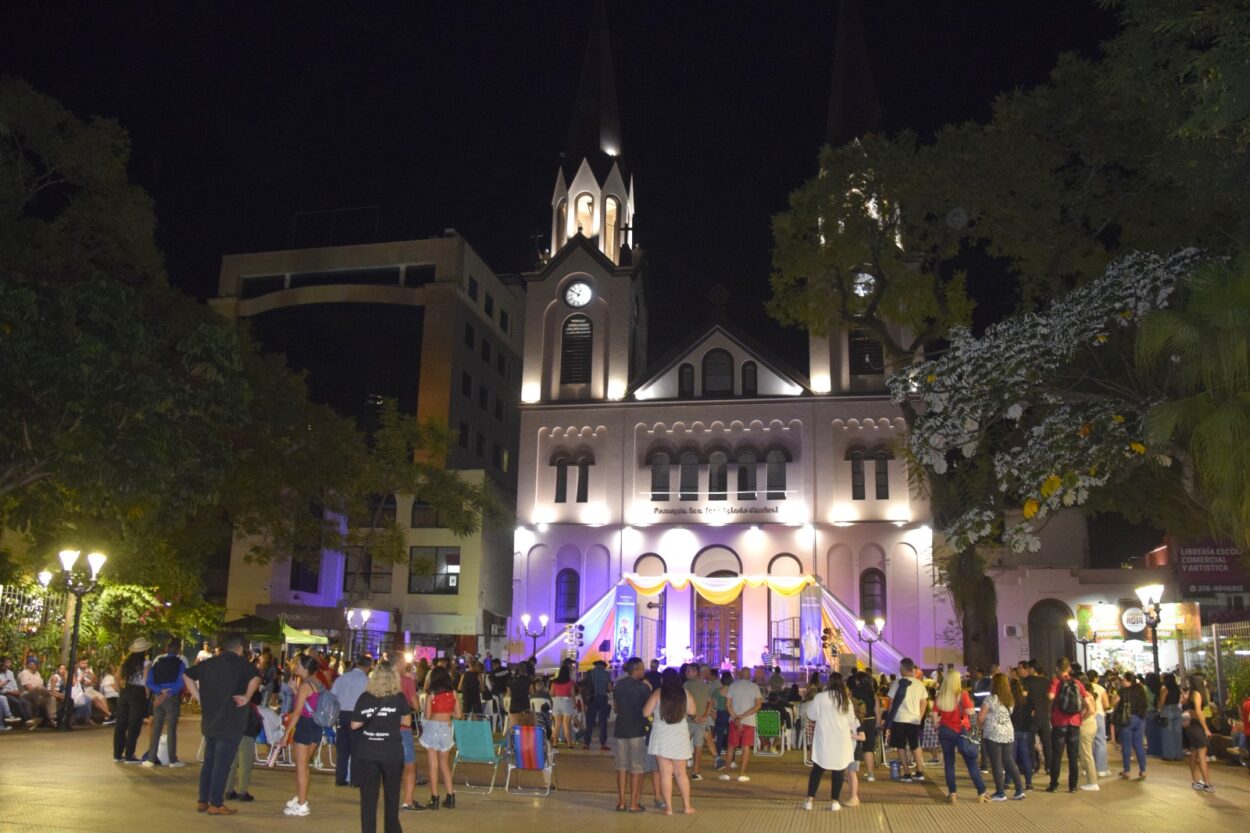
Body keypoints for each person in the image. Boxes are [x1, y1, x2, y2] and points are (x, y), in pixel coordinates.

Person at [182, 632, 261, 816]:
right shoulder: (243, 665)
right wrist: (247, 697)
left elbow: (187, 675)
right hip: (231, 721)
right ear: (240, 648)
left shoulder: (209, 663)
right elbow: (256, 678)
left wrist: (198, 697)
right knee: (222, 764)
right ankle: (216, 803)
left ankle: (202, 800)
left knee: (209, 761)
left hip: (210, 720)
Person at [353, 661, 411, 833]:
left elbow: (355, 724)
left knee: (368, 800)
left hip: (368, 752)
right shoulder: (399, 697)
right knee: (391, 798)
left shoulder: (365, 697)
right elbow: (407, 722)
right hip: (391, 753)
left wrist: (369, 715)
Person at [803, 671, 858, 811]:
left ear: (829, 682)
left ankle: (809, 800)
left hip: (824, 737)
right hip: (841, 739)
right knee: (838, 769)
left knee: (818, 768)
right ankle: (835, 801)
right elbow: (851, 719)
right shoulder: (845, 700)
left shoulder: (820, 697)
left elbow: (811, 715)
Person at [644, 667, 696, 815]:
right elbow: (693, 711)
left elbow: (645, 712)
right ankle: (687, 806)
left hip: (661, 736)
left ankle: (669, 808)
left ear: (662, 680)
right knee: (681, 773)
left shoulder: (658, 693)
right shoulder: (685, 693)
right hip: (679, 736)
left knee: (665, 773)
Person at [280, 655, 327, 816]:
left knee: (300, 767)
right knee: (305, 765)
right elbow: (310, 703)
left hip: (305, 725)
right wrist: (294, 690)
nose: (295, 667)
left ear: (305, 668)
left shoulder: (305, 685)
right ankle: (302, 798)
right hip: (316, 726)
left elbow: (298, 712)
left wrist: (285, 735)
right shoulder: (317, 682)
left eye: (298, 665)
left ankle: (301, 804)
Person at [933, 669, 987, 802]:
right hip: (961, 731)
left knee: (949, 762)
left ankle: (952, 793)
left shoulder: (941, 694)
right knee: (970, 761)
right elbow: (970, 711)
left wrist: (936, 726)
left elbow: (934, 713)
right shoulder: (962, 694)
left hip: (945, 730)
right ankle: (981, 792)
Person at [612, 657, 650, 812]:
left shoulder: (618, 684)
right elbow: (648, 710)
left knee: (621, 766)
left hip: (620, 729)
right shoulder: (643, 687)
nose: (644, 670)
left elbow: (616, 707)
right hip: (637, 730)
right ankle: (634, 803)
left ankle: (621, 801)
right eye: (641, 668)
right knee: (637, 766)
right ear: (635, 669)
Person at [979, 672, 1025, 801]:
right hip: (1008, 732)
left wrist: (982, 723)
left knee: (996, 763)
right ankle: (1019, 790)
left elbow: (981, 717)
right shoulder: (1010, 699)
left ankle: (1000, 792)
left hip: (993, 733)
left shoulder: (990, 699)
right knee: (1009, 760)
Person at [420, 666, 462, 809]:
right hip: (446, 728)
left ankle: (434, 798)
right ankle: (450, 797)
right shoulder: (454, 694)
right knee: (444, 764)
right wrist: (447, 712)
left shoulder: (431, 694)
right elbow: (458, 715)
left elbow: (427, 715)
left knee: (433, 764)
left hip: (432, 727)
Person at [1045, 657, 1087, 793]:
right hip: (1075, 722)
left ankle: (1054, 784)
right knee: (1073, 756)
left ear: (1057, 668)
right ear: (1069, 668)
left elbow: (1050, 697)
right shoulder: (1077, 683)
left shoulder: (1056, 681)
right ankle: (1072, 786)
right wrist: (1082, 716)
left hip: (1059, 722)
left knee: (1057, 754)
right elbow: (1087, 699)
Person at [143, 639, 186, 767]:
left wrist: (160, 692)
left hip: (158, 696)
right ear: (178, 650)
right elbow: (181, 682)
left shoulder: (158, 663)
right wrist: (168, 693)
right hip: (172, 697)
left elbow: (149, 682)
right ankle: (172, 759)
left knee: (157, 727)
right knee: (171, 728)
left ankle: (151, 758)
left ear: (167, 648)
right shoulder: (180, 663)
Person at [331, 653, 372, 788]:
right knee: (357, 749)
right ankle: (355, 780)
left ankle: (340, 778)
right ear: (368, 667)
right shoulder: (367, 681)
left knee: (342, 749)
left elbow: (333, 697)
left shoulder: (341, 679)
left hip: (341, 715)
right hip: (357, 716)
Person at [885, 657, 928, 783]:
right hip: (914, 720)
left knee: (901, 746)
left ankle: (907, 773)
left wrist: (889, 718)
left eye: (900, 668)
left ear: (904, 668)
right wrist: (919, 716)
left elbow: (891, 703)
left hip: (899, 719)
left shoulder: (897, 684)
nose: (899, 670)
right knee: (915, 745)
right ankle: (919, 771)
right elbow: (924, 703)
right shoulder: (920, 684)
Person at [721, 666, 762, 782]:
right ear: (750, 675)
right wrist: (743, 717)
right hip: (748, 721)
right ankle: (741, 774)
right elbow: (758, 705)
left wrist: (736, 718)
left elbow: (728, 705)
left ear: (739, 675)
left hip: (734, 721)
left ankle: (726, 773)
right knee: (746, 747)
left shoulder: (733, 686)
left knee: (731, 746)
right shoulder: (754, 687)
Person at [113, 640, 150, 762]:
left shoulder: (126, 663)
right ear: (144, 651)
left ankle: (117, 754)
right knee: (134, 725)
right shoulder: (146, 663)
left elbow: (117, 677)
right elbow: (146, 681)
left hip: (126, 691)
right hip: (138, 693)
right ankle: (129, 754)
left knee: (121, 724)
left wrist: (120, 690)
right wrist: (147, 696)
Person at [683, 663, 716, 780]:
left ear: (695, 672)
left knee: (683, 745)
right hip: (702, 720)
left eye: (688, 671)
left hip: (689, 720)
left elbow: (685, 702)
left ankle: (679, 769)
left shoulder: (686, 685)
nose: (686, 673)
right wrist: (705, 716)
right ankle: (696, 772)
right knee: (698, 746)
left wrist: (693, 717)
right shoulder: (705, 685)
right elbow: (710, 702)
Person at [1183, 673, 1214, 792]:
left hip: (1193, 725)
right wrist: (1206, 728)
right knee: (1201, 755)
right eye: (1204, 680)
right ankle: (1206, 783)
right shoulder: (1197, 694)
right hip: (1197, 726)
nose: (1205, 682)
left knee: (1194, 753)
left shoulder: (1192, 693)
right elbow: (1198, 711)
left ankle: (1196, 781)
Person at [1117, 671, 1148, 780]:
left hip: (1127, 720)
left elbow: (1114, 701)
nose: (1122, 682)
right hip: (1140, 719)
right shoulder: (1140, 690)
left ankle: (1127, 770)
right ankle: (1143, 770)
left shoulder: (1123, 692)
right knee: (1139, 745)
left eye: (1123, 680)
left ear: (1128, 680)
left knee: (1126, 746)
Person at [1008, 675, 1035, 790]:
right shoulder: (1026, 699)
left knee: (1010, 758)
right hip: (1025, 730)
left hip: (1012, 730)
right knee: (1026, 757)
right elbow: (1032, 712)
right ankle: (1029, 783)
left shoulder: (1009, 699)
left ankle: (1008, 782)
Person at [582, 659, 612, 750]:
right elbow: (609, 688)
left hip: (592, 699)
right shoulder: (606, 674)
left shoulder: (590, 673)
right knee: (603, 722)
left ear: (595, 665)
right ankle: (603, 744)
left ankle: (587, 743)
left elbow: (585, 686)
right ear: (603, 666)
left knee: (590, 721)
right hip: (602, 698)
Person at [18, 658, 58, 727]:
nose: (38, 666)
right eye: (36, 664)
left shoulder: (37, 673)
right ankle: (51, 693)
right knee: (39, 688)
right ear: (30, 665)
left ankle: (52, 719)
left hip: (38, 695)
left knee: (51, 698)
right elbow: (28, 687)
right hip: (26, 694)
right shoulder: (24, 673)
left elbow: (41, 687)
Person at [1076, 676, 1099, 791]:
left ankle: (1092, 782)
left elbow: (1090, 710)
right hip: (1090, 725)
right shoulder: (1089, 694)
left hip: (1086, 725)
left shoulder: (1085, 695)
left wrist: (1080, 719)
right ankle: (1089, 776)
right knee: (1085, 753)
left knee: (1086, 754)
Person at [1087, 670, 1110, 777]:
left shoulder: (1084, 687)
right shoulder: (1101, 689)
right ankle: (1101, 769)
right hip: (1099, 715)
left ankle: (1087, 768)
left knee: (1087, 743)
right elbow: (1106, 705)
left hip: (1086, 716)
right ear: (1096, 678)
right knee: (1100, 742)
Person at [1157, 672, 1183, 760]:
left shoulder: (1164, 688)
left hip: (1167, 709)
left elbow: (1162, 701)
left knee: (1167, 733)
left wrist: (1159, 709)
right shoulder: (1177, 688)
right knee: (1177, 733)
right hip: (1177, 709)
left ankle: (1169, 755)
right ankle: (1178, 754)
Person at [549, 662, 576, 747]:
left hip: (556, 702)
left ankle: (554, 743)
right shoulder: (570, 682)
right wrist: (574, 702)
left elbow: (551, 693)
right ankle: (569, 744)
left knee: (557, 724)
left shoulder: (554, 682)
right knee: (566, 724)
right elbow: (573, 694)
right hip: (566, 702)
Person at [712, 670, 732, 769]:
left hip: (719, 715)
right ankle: (732, 761)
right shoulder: (733, 690)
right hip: (730, 714)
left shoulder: (717, 691)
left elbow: (712, 705)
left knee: (719, 739)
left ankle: (718, 759)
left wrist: (713, 715)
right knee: (731, 739)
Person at [507, 661, 532, 732]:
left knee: (513, 726)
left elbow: (509, 694)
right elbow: (531, 692)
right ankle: (523, 741)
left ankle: (511, 741)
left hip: (514, 705)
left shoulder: (510, 680)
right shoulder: (528, 680)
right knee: (525, 726)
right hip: (525, 705)